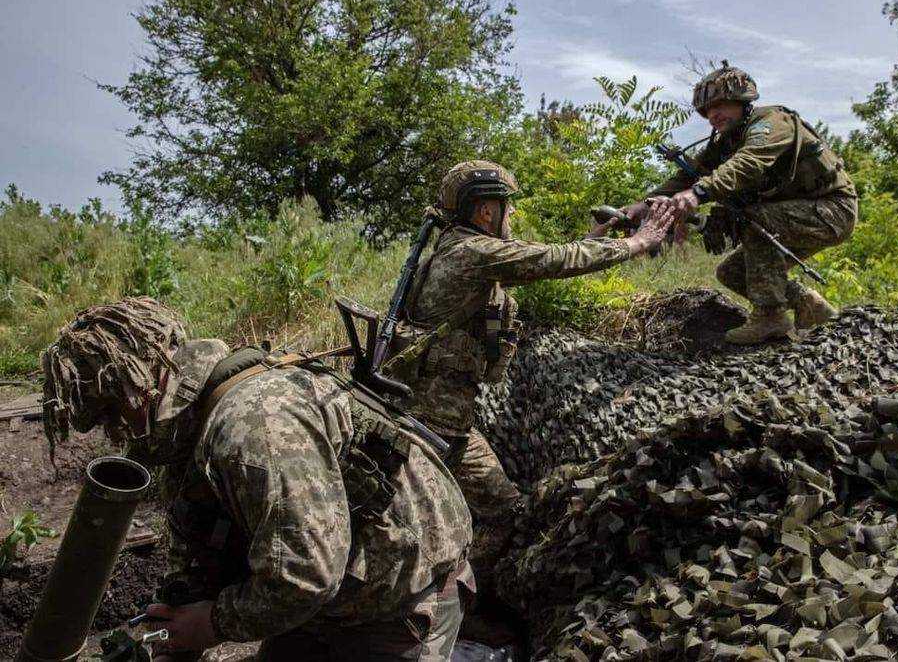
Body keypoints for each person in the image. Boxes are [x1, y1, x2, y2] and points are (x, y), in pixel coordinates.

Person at [40, 297, 474, 661]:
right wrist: (179, 618)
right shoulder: (189, 426)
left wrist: (210, 624)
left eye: (113, 413)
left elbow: (306, 575)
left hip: (401, 594)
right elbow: (199, 541)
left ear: (143, 383)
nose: (114, 434)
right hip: (330, 592)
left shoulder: (253, 426)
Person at [383, 160, 672, 530]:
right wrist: (637, 243)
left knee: (506, 510)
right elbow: (550, 260)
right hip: (429, 426)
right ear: (487, 210)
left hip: (446, 421)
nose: (512, 214)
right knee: (422, 525)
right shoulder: (474, 252)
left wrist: (595, 240)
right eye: (508, 206)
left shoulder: (461, 248)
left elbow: (541, 262)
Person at [622, 62, 857, 344]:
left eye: (720, 105)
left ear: (742, 101)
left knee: (756, 219)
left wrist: (699, 193)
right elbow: (687, 176)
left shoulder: (772, 122)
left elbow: (748, 163)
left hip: (833, 210)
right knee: (732, 273)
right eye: (707, 110)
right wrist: (643, 205)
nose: (713, 116)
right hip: (798, 214)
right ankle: (807, 302)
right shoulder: (726, 141)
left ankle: (771, 316)